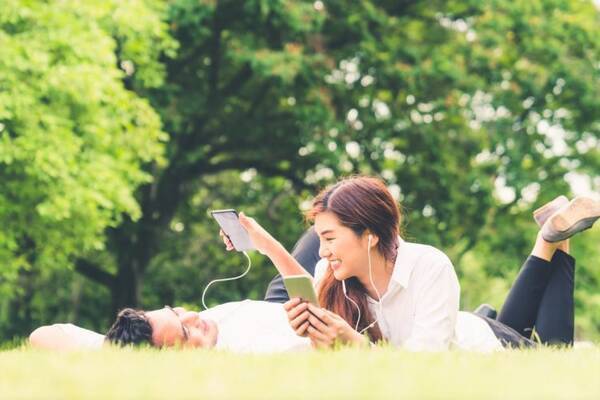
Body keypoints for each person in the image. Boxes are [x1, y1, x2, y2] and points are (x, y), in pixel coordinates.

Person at [29, 179, 599, 352]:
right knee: (517, 332)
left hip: (472, 341)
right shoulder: (336, 283)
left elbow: (425, 378)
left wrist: (355, 345)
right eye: (187, 330)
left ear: (369, 234)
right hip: (462, 332)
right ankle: (550, 237)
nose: (198, 317)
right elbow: (49, 334)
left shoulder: (427, 266)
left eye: (329, 237)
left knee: (551, 354)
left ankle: (553, 238)